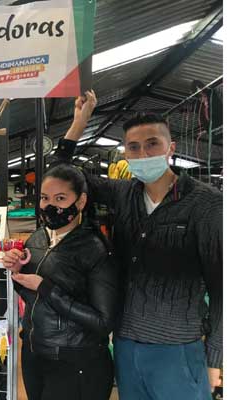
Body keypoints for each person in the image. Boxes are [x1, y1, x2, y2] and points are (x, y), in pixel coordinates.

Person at [51, 90, 223, 400]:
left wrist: (215, 359)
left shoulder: (206, 203)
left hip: (178, 349)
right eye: (133, 147)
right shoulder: (122, 194)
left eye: (152, 144)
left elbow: (222, 284)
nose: (142, 154)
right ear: (125, 155)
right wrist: (79, 123)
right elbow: (62, 176)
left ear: (171, 148)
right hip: (127, 345)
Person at [2, 163, 118, 400]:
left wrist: (46, 288)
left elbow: (103, 321)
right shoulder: (37, 238)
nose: (50, 206)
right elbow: (30, 296)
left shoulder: (94, 248)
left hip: (75, 360)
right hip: (35, 353)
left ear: (82, 201)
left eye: (61, 198)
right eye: (45, 198)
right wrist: (18, 274)